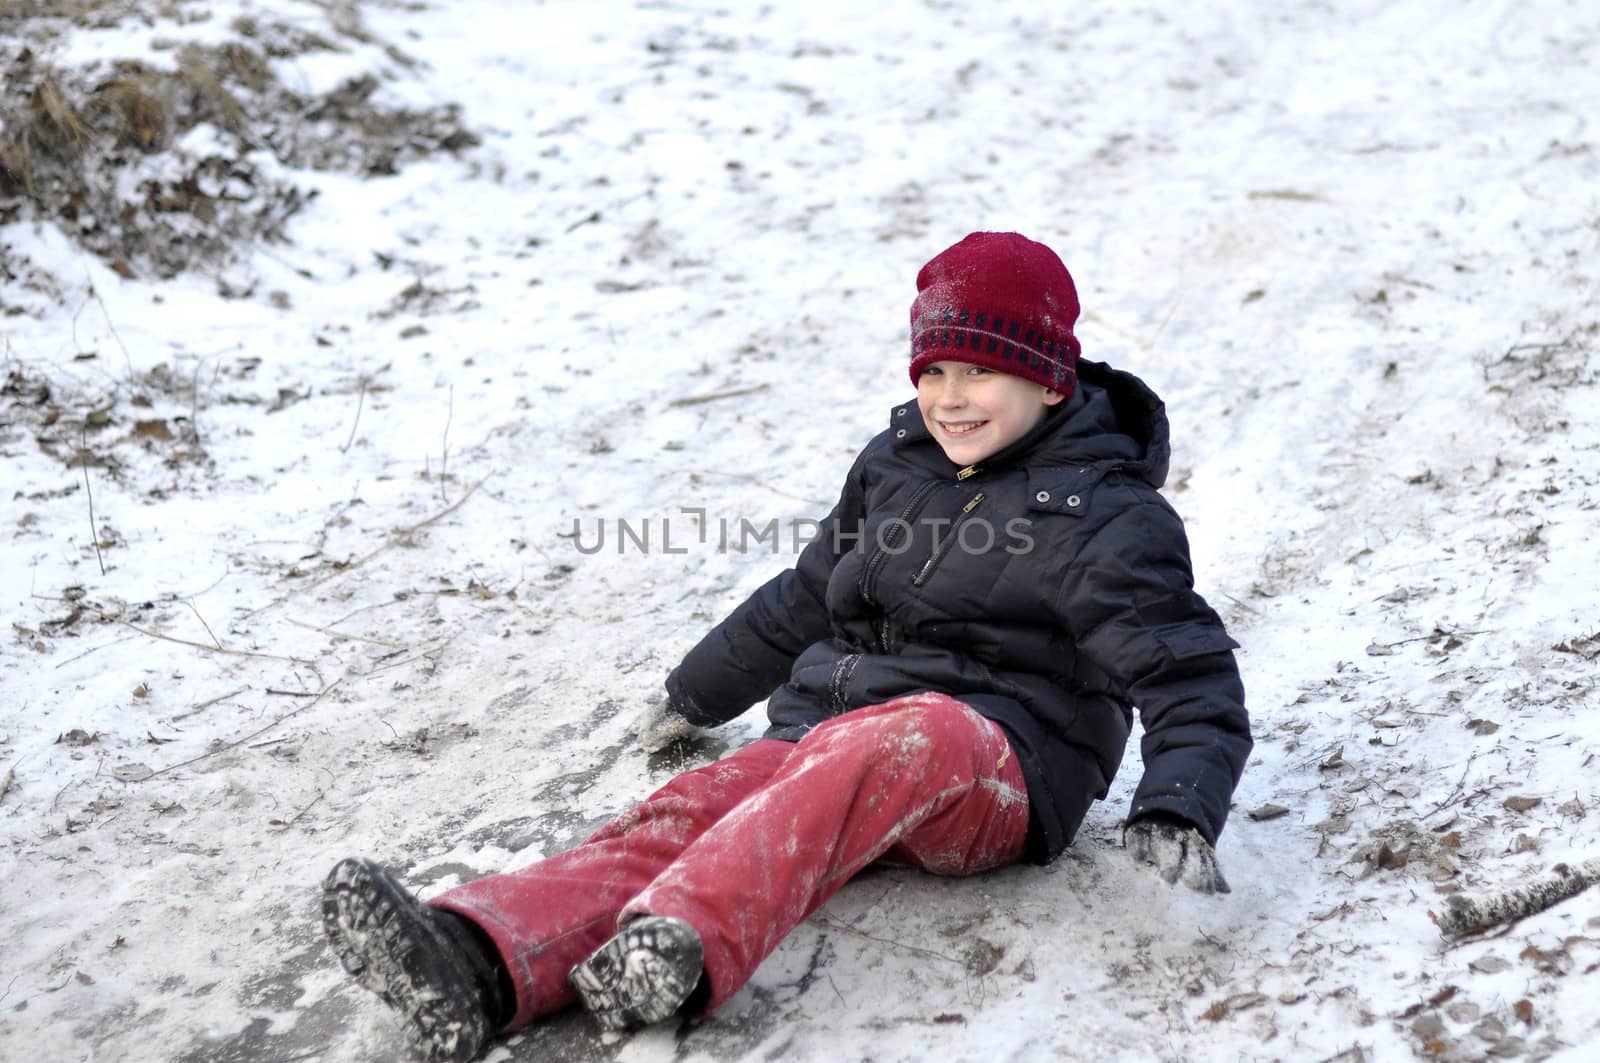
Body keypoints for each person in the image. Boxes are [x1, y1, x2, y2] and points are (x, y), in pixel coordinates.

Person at [321, 231, 1252, 1062]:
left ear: (1049, 377)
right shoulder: (894, 468)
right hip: (835, 744)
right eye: (932, 372)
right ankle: (482, 955)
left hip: (996, 761)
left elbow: (1185, 666)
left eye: (979, 372)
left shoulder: (1106, 512)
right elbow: (808, 597)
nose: (949, 397)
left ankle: (680, 946)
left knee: (897, 735)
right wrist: (696, 691)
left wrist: (1176, 805)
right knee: (703, 802)